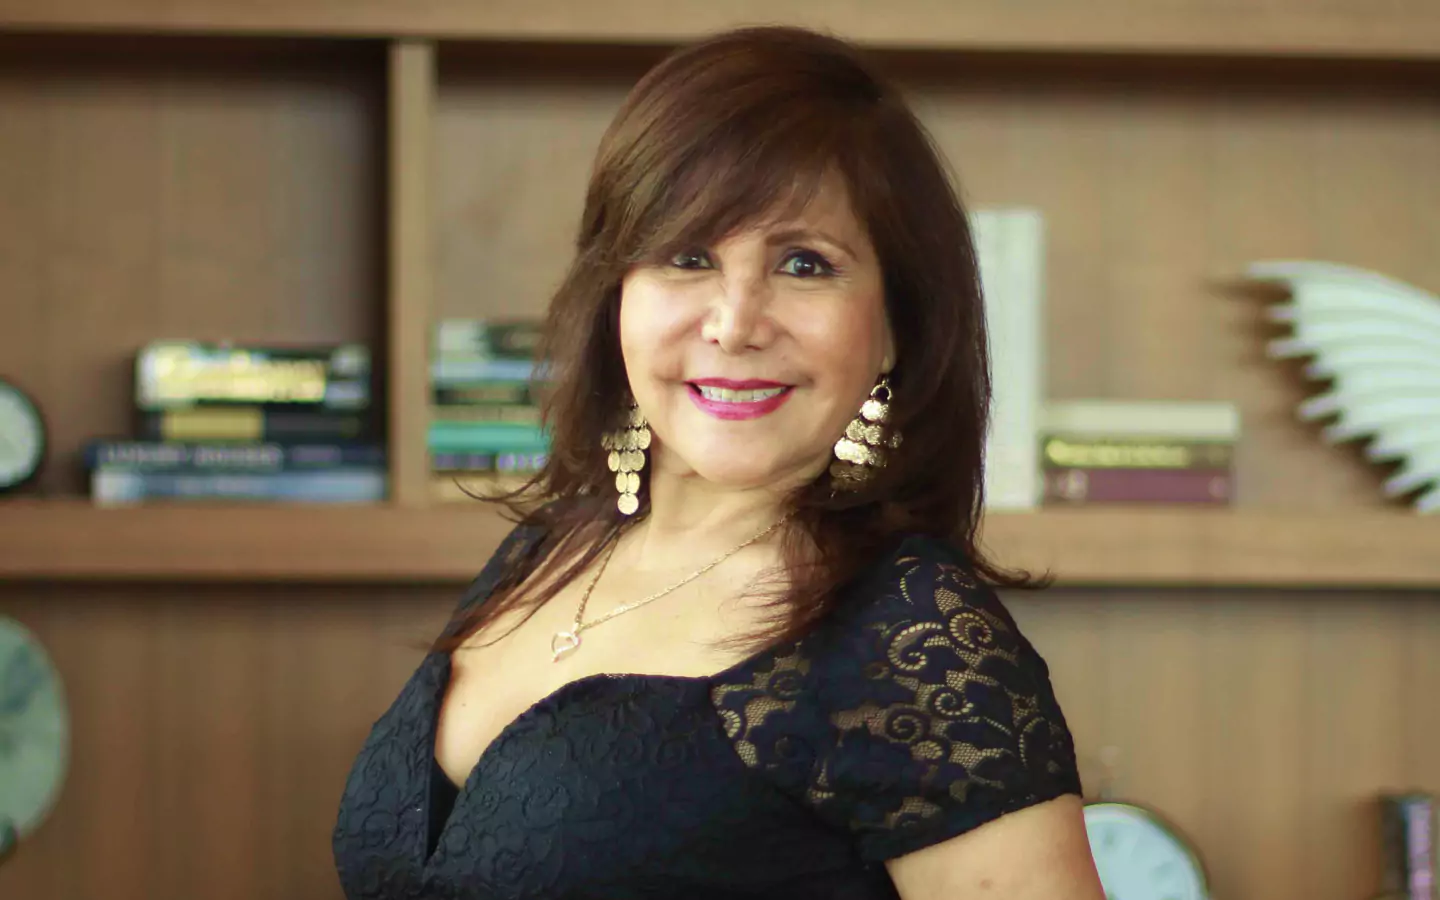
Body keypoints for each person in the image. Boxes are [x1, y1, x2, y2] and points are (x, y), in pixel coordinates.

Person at [332, 24, 1105, 900]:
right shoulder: (546, 553)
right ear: (614, 292)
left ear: (894, 328)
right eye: (687, 256)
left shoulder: (909, 636)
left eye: (805, 264)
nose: (735, 323)